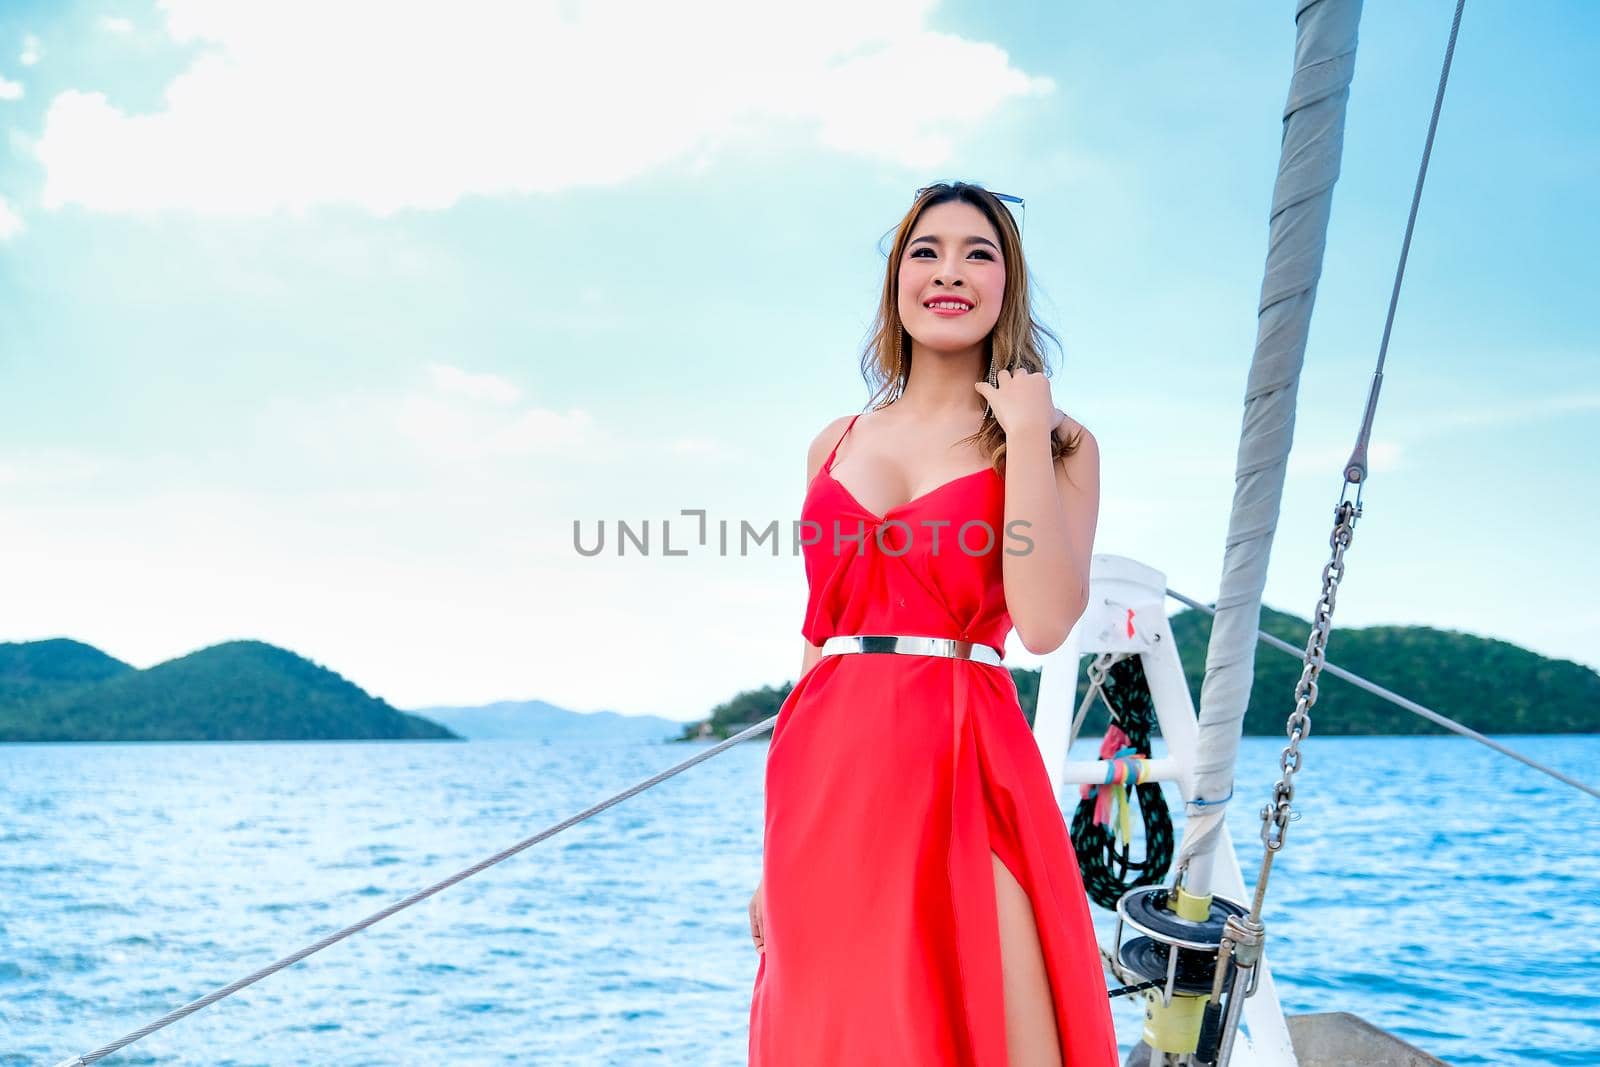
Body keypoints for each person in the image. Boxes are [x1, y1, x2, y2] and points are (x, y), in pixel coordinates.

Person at [746, 181, 1120, 1066]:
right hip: (825, 770)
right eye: (927, 250)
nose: (950, 271)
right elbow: (817, 642)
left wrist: (1024, 436)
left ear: (1006, 285)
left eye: (978, 253)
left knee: (995, 1023)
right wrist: (767, 852)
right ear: (896, 281)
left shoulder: (1061, 444)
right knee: (837, 1026)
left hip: (961, 756)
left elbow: (1042, 622)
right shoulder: (835, 440)